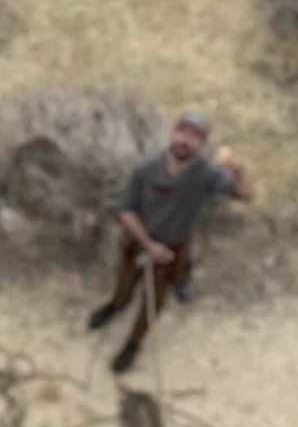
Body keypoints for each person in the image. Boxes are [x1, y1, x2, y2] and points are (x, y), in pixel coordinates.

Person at [87, 108, 252, 376]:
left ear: (202, 144)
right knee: (124, 285)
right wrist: (149, 244)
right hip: (138, 243)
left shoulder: (206, 174)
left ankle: (133, 344)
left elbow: (246, 195)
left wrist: (237, 168)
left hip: (172, 252)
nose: (185, 140)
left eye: (195, 136)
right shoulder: (146, 168)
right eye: (182, 132)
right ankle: (115, 306)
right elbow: (126, 210)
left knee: (153, 303)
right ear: (173, 133)